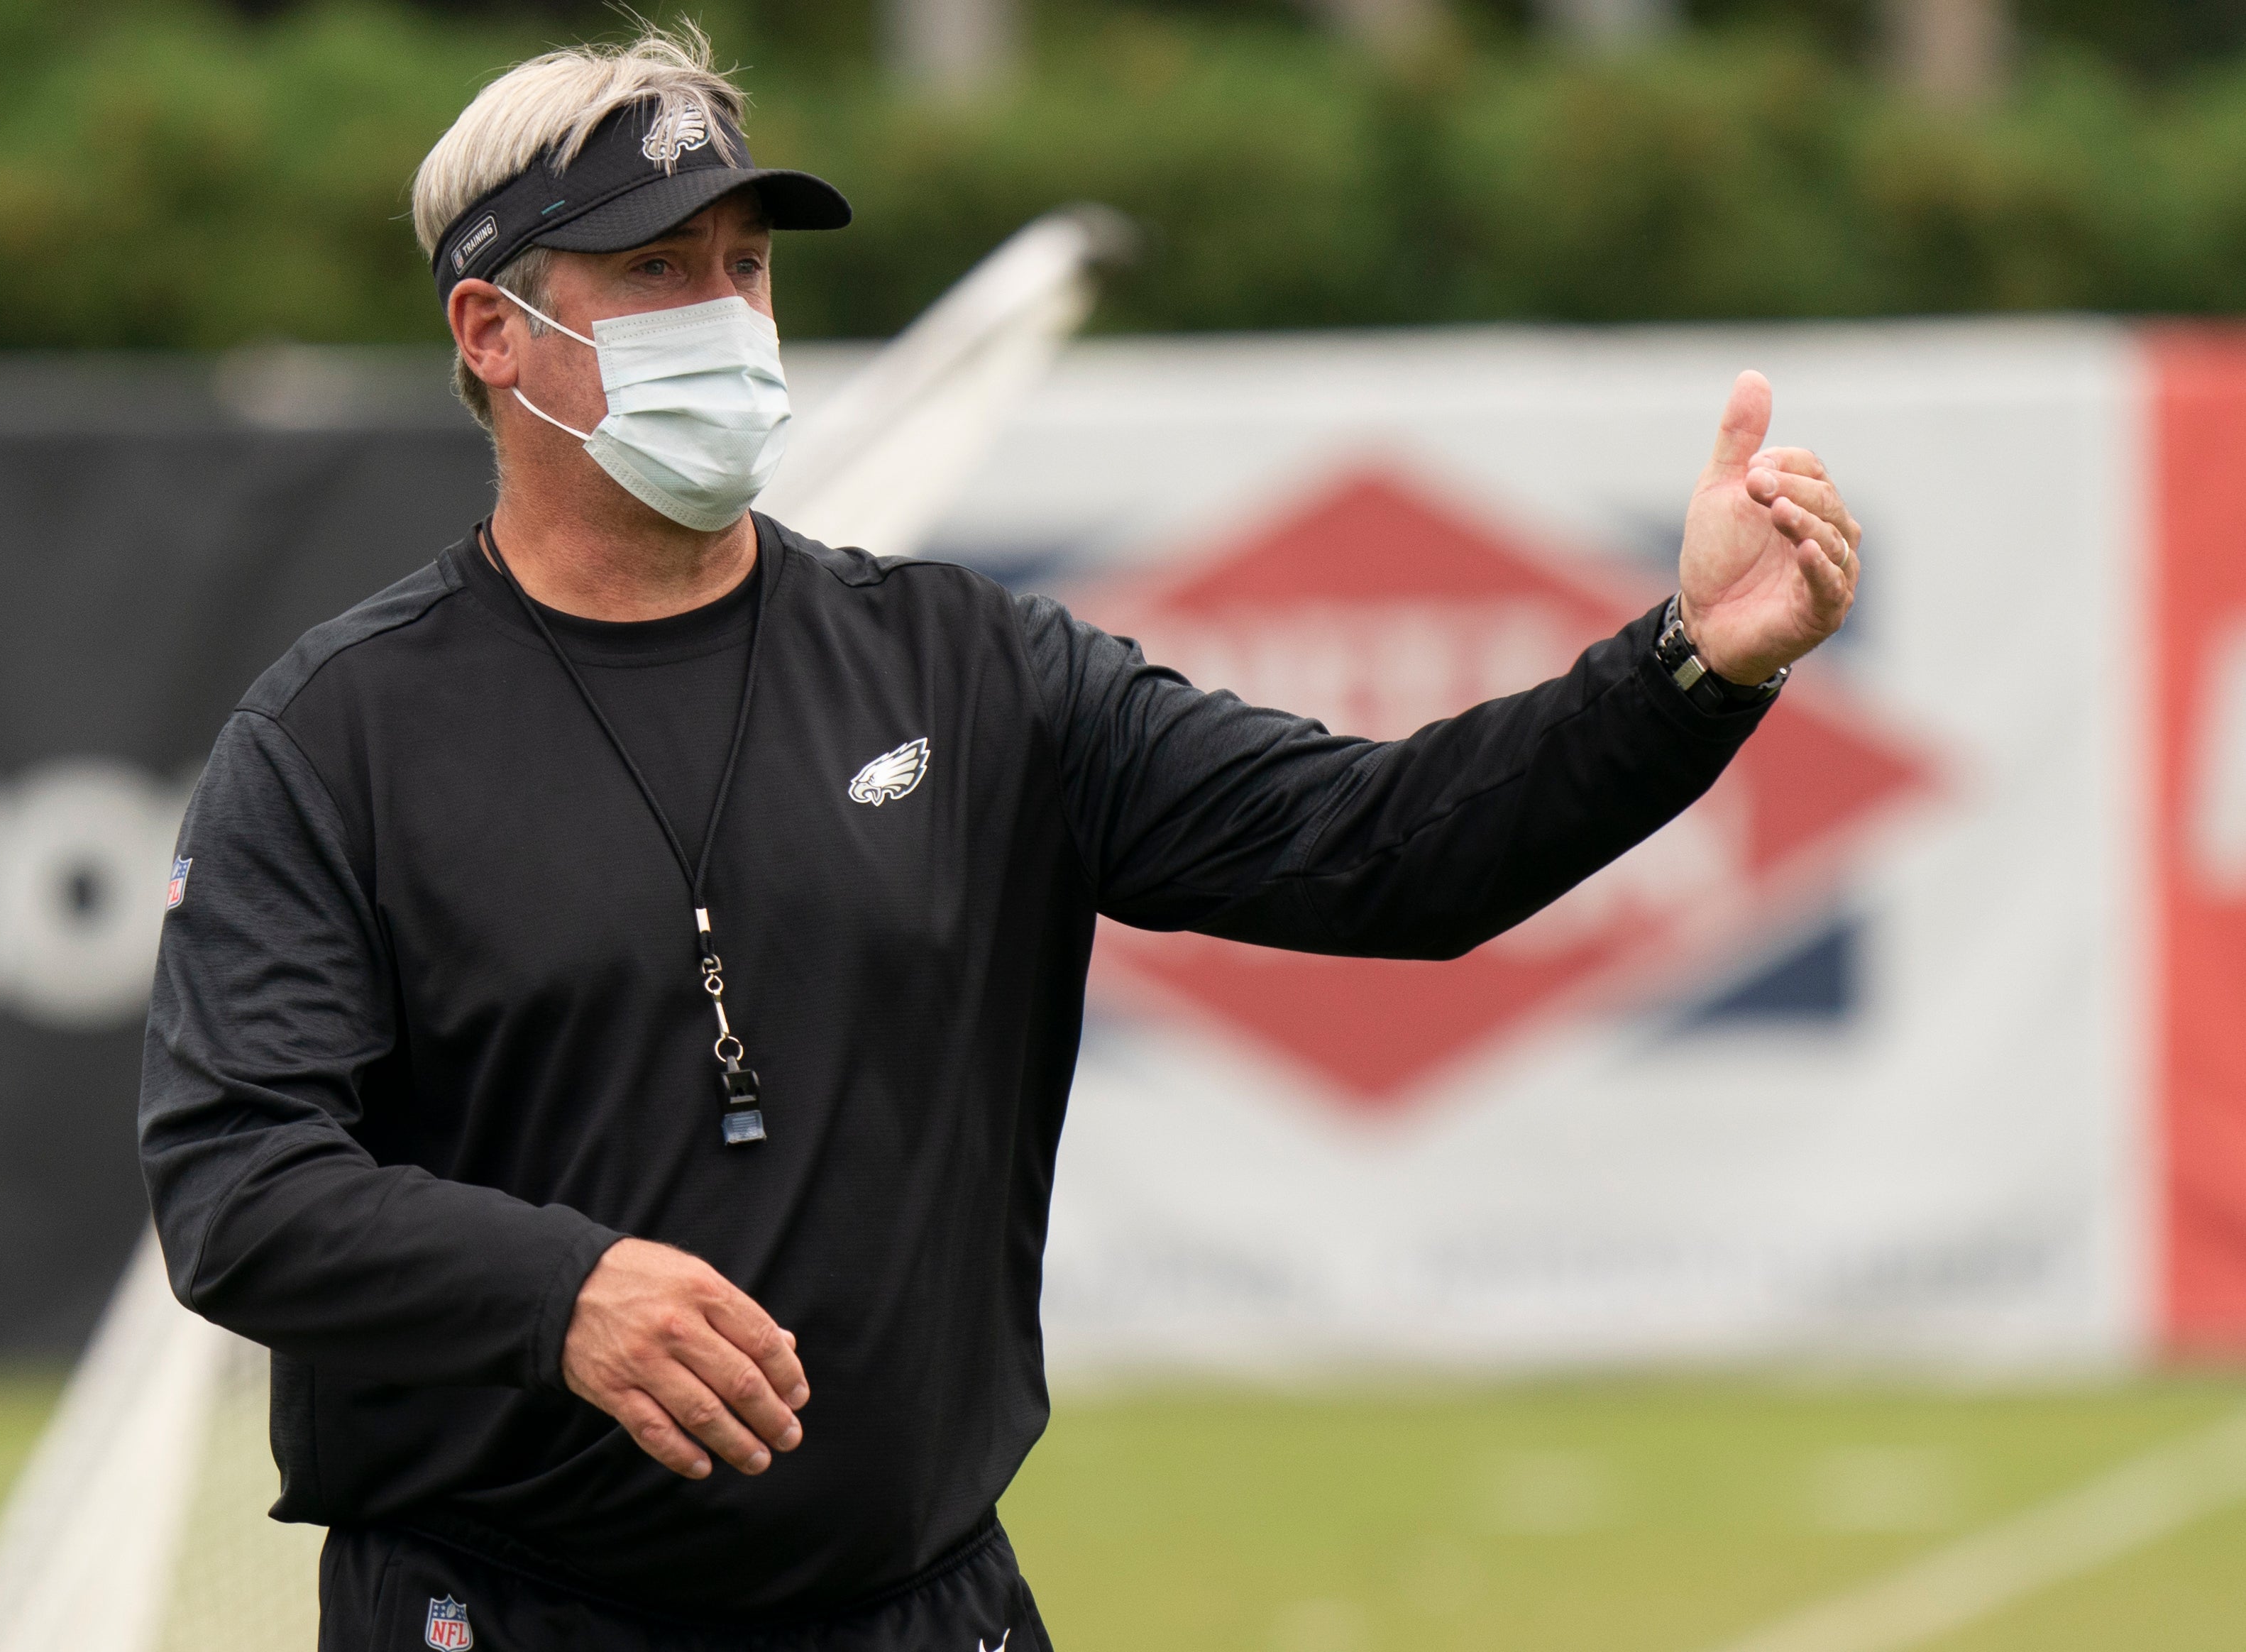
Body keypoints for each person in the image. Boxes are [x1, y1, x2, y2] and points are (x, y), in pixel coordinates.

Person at [138, 25, 1863, 1652]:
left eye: (746, 265)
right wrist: (558, 1290)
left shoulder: (972, 666)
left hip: (920, 1604)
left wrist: (1687, 669)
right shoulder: (337, 737)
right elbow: (241, 1188)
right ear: (491, 333)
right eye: (655, 272)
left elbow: (1389, 852)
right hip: (500, 1612)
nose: (726, 315)